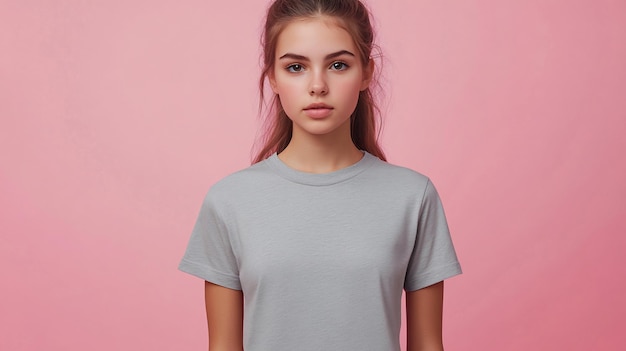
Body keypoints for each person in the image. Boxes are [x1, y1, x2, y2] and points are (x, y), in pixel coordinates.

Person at [179, 0, 462, 350]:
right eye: (296, 67)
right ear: (273, 77)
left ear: (367, 73)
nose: (317, 85)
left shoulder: (413, 196)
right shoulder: (229, 201)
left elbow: (428, 344)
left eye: (338, 65)